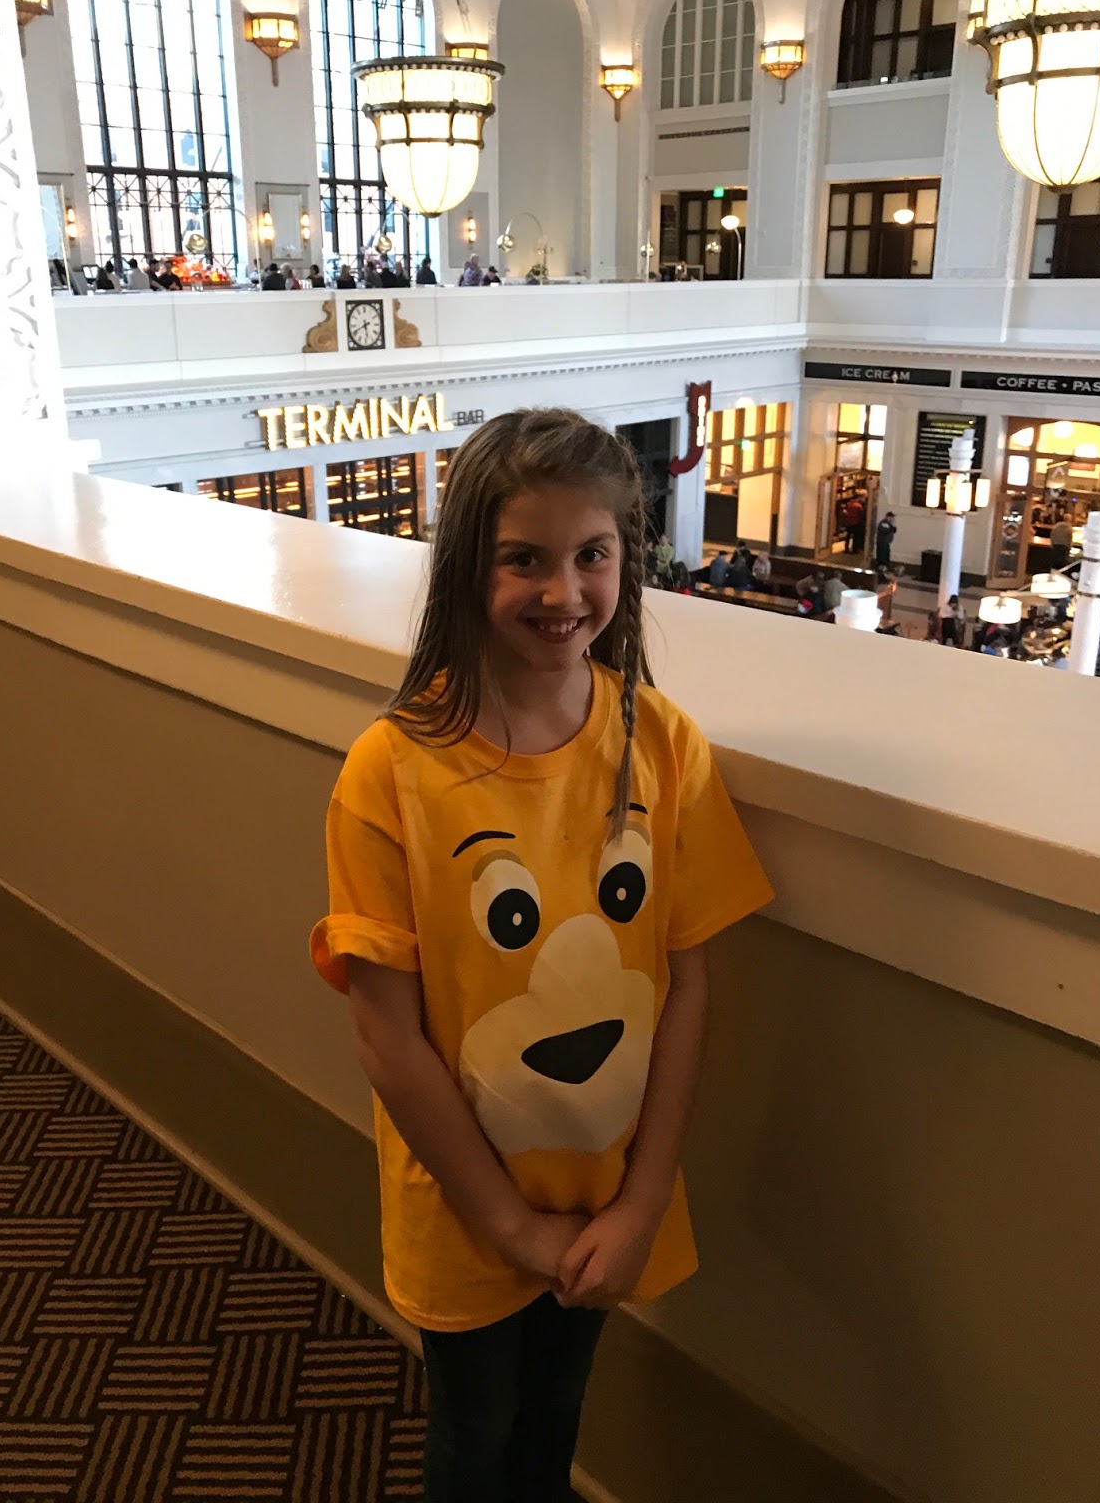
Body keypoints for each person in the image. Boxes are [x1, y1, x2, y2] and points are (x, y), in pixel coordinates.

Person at [309, 408, 773, 1503]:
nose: (564, 591)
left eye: (592, 555)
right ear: (467, 567)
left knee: (555, 1418)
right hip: (468, 1206)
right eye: (524, 558)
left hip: (607, 1194)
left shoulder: (664, 742)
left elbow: (685, 981)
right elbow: (387, 1037)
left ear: (627, 561)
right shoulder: (390, 772)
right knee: (476, 1438)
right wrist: (510, 1222)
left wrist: (643, 1201)